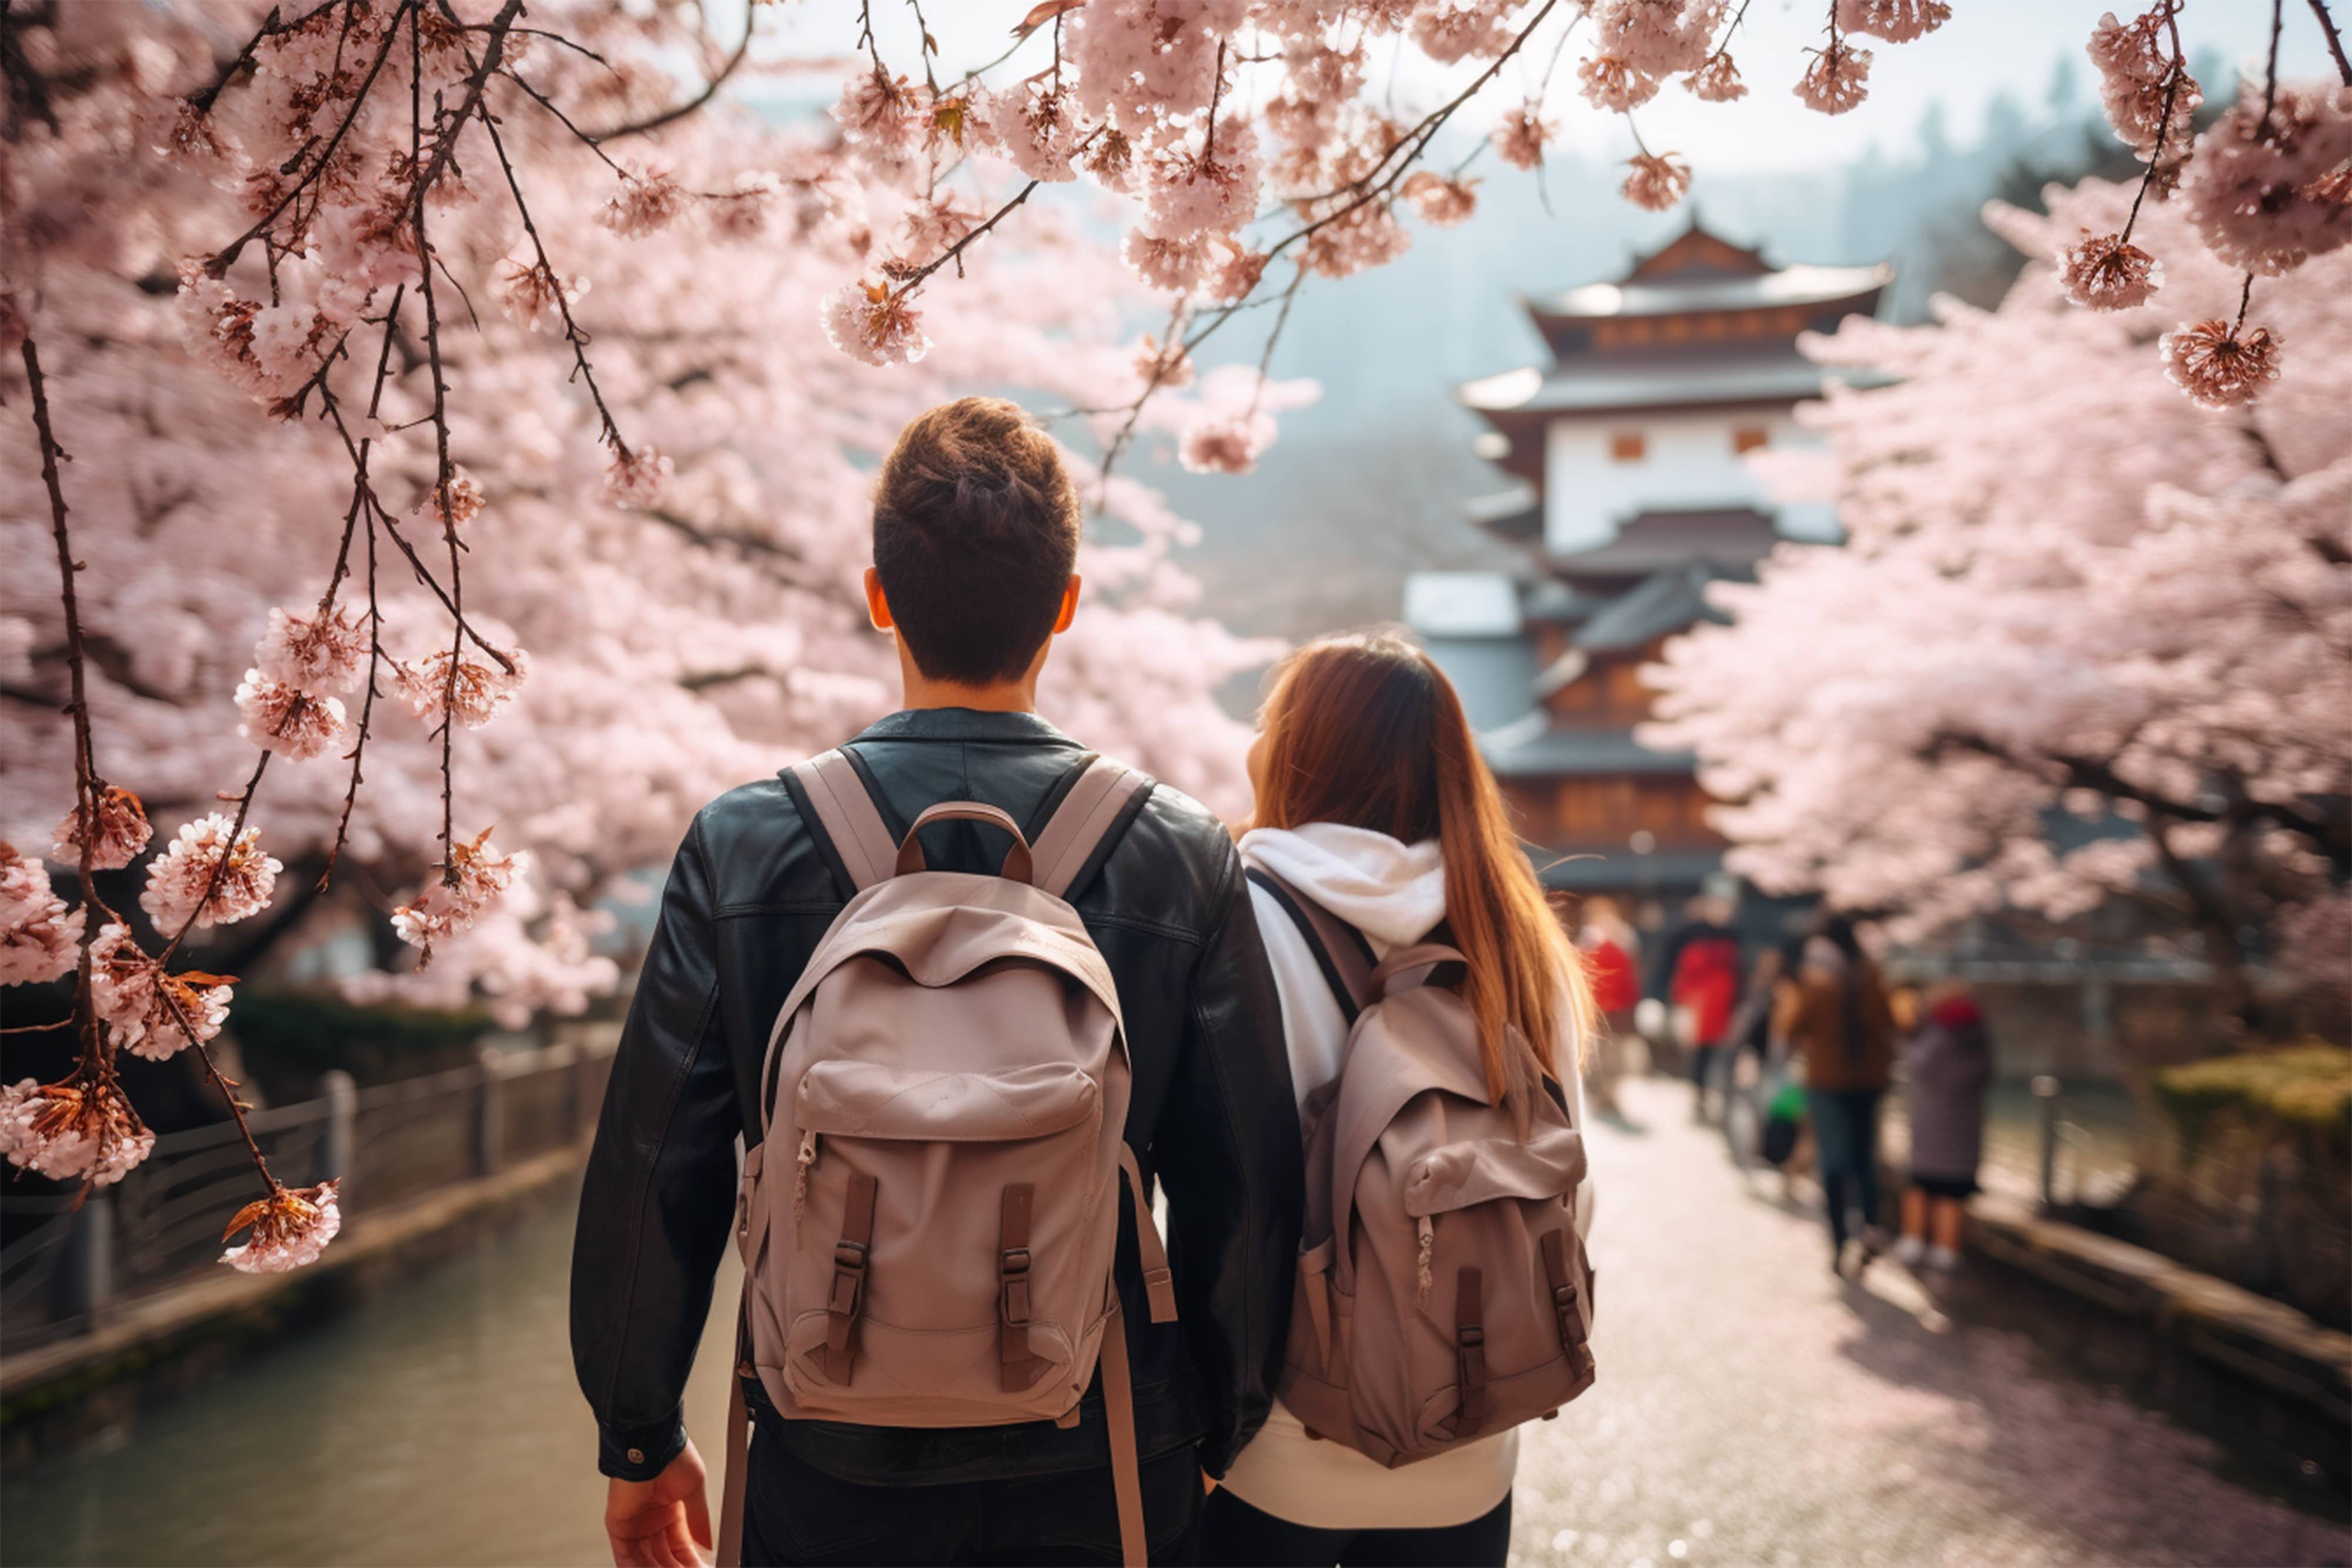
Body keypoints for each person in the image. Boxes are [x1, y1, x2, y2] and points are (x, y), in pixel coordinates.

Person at [569, 397, 1303, 1568]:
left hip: (823, 1462)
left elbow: (655, 1167)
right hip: (1104, 1450)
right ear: (1065, 605)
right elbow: (1247, 1187)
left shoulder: (745, 843)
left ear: (878, 596)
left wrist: (637, 1435)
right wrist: (1221, 1423)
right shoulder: (1175, 852)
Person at [1204, 630, 1596, 1568]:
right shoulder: (1515, 935)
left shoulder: (1240, 916)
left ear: (1298, 750)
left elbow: (1216, 1196)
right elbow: (1571, 1185)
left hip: (1276, 1443)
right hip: (1467, 1433)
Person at [1772, 913, 1896, 1276]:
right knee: (1865, 1158)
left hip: (1827, 1082)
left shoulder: (1819, 980)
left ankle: (1840, 1239)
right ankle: (1869, 1225)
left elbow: (1792, 1028)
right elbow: (1887, 1023)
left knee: (1835, 1162)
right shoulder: (1872, 975)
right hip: (1870, 1080)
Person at [1897, 978, 1993, 1271]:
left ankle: (1913, 1242)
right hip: (1965, 1124)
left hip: (1931, 1122)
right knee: (1953, 1191)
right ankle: (1947, 1249)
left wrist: (1905, 1034)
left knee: (1921, 1185)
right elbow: (1989, 1073)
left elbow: (1916, 1063)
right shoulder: (1980, 1038)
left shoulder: (1935, 1036)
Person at [1658, 888, 1742, 1124]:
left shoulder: (1732, 936)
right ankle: (1700, 1094)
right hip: (1697, 1005)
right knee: (1699, 1053)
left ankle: (1711, 1094)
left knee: (1718, 1053)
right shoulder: (1687, 934)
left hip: (1722, 1005)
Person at [1577, 895, 1640, 1118]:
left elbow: (1630, 976)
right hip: (1598, 1007)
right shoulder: (1590, 942)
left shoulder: (1624, 939)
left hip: (1620, 1008)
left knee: (1617, 1054)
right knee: (1599, 1053)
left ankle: (1610, 1094)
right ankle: (1600, 1094)